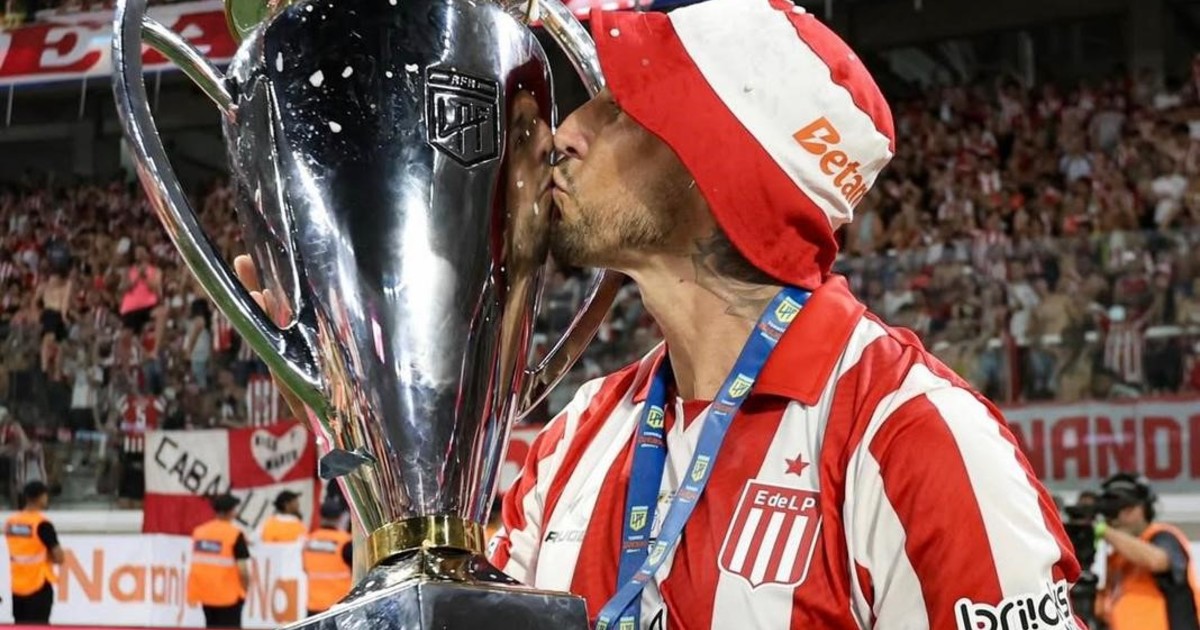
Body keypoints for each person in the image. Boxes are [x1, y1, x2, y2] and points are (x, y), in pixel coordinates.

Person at [236, 1, 1082, 627]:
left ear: (722, 170)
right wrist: (355, 392)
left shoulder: (913, 440)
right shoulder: (578, 439)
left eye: (622, 108)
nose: (566, 132)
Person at [1097, 473, 1200, 630]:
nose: (1116, 518)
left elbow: (1158, 561)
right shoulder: (1118, 557)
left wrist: (1104, 531)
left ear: (1142, 509)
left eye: (1124, 508)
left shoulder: (1162, 535)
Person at [187, 494, 251, 629]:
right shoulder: (235, 534)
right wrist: (245, 589)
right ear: (231, 511)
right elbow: (243, 570)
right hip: (228, 596)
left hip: (205, 593)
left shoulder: (199, 532)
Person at [4, 481, 63, 623]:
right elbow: (59, 557)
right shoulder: (42, 524)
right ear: (41, 497)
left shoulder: (11, 523)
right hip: (38, 585)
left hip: (18, 586)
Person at [302, 501, 353, 617]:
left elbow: (304, 568)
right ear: (340, 517)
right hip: (339, 609)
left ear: (321, 516)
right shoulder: (345, 542)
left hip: (313, 609)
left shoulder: (310, 541)